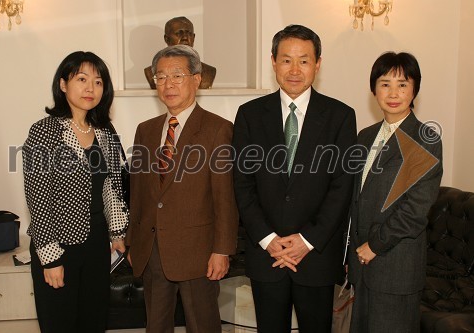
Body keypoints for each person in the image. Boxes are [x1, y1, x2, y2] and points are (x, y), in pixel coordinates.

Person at [232, 24, 357, 333]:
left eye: (304, 60)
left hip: (316, 256)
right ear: (273, 61)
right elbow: (242, 184)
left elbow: (342, 187)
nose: (295, 69)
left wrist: (306, 241)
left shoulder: (340, 116)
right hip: (267, 256)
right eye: (286, 59)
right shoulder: (249, 114)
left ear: (317, 63)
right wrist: (269, 240)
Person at [127, 44, 238, 333]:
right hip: (152, 248)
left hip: (200, 252)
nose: (168, 84)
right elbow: (138, 192)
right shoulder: (146, 130)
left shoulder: (218, 129)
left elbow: (225, 197)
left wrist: (222, 249)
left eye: (177, 75)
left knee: (203, 325)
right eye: (160, 77)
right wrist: (132, 240)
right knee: (156, 325)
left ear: (197, 79)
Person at [22, 51, 129, 333]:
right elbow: (38, 199)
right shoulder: (44, 132)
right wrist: (51, 259)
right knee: (60, 325)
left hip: (96, 245)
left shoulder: (105, 130)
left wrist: (117, 233)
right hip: (59, 246)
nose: (90, 88)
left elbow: (111, 186)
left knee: (94, 322)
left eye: (97, 81)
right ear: (62, 84)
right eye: (81, 79)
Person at [347, 52, 442, 333]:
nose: (393, 93)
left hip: (395, 266)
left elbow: (415, 210)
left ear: (415, 90)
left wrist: (374, 246)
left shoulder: (426, 139)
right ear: (373, 88)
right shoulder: (365, 136)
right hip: (362, 265)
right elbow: (356, 198)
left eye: (403, 84)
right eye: (385, 83)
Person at [144, 16, 216, 89]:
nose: (185, 38)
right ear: (167, 39)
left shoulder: (209, 71)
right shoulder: (151, 71)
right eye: (179, 33)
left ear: (193, 38)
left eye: (189, 33)